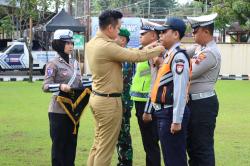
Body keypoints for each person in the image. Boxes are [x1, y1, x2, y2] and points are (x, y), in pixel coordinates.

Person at [85, 10, 165, 166]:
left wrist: (149, 46)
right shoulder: (106, 46)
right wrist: (159, 48)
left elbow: (129, 51)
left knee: (97, 145)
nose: (119, 30)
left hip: (98, 98)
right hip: (108, 102)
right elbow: (135, 57)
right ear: (110, 28)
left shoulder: (93, 43)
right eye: (118, 27)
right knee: (105, 149)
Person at [144, 17, 191, 166]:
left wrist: (176, 120)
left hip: (170, 114)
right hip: (164, 113)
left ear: (176, 34)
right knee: (170, 157)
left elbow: (180, 90)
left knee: (174, 159)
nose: (161, 35)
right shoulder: (170, 54)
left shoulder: (178, 56)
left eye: (164, 32)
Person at [42, 29, 82, 166]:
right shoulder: (53, 64)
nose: (71, 46)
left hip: (74, 111)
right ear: (59, 44)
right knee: (59, 147)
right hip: (58, 111)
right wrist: (60, 86)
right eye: (67, 43)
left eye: (72, 43)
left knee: (71, 146)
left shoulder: (75, 63)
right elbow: (45, 86)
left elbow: (79, 83)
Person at [186, 13, 221, 166]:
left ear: (206, 32)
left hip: (203, 104)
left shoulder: (210, 52)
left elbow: (187, 71)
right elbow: (179, 53)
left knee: (202, 148)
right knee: (193, 147)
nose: (192, 34)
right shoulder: (200, 48)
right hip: (195, 103)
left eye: (195, 31)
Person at [130, 18, 161, 166]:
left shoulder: (154, 52)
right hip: (140, 101)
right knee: (149, 142)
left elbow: (156, 79)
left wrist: (148, 108)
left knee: (151, 143)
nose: (140, 36)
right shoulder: (144, 50)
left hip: (148, 103)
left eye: (144, 33)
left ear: (153, 36)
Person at [115, 28, 134, 166]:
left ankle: (125, 162)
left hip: (123, 102)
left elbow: (121, 79)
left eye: (117, 36)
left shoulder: (126, 57)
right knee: (118, 134)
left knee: (123, 135)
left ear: (123, 40)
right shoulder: (120, 55)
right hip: (119, 101)